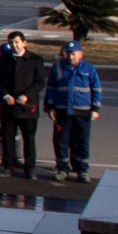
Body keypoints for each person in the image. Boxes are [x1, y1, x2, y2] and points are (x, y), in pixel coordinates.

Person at [44, 40, 102, 183]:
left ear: (81, 54)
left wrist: (95, 109)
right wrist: (50, 107)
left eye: (74, 54)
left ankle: (82, 170)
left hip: (83, 113)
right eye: (69, 53)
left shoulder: (89, 69)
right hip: (62, 112)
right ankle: (63, 169)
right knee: (61, 141)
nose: (70, 56)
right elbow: (51, 88)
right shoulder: (58, 68)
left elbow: (96, 89)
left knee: (81, 142)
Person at [0, 31, 45, 179]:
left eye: (17, 42)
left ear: (24, 43)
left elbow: (39, 82)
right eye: (11, 43)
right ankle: (8, 166)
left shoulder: (35, 60)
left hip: (26, 107)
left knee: (29, 138)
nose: (14, 45)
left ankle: (29, 168)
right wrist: (5, 95)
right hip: (8, 106)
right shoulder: (3, 60)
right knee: (8, 137)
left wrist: (26, 95)